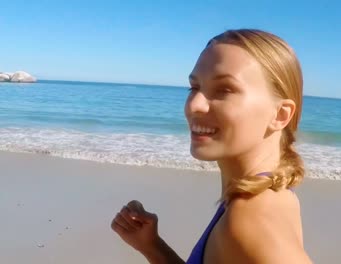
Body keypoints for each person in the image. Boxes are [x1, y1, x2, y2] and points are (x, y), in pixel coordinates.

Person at [111, 29, 313, 264]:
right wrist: (153, 247)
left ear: (280, 114)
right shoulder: (266, 195)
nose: (194, 105)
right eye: (194, 87)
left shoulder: (250, 218)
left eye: (225, 89)